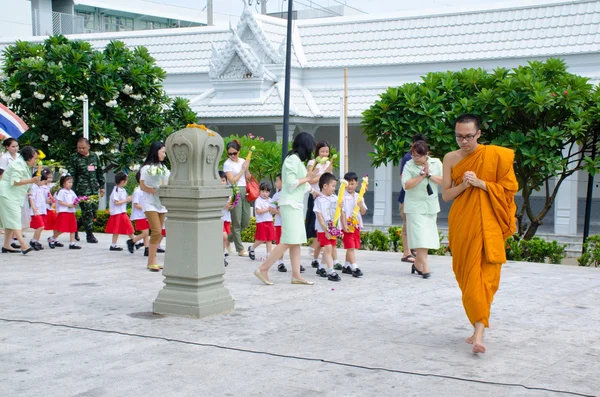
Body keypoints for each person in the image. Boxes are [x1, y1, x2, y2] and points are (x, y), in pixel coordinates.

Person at [442, 114, 518, 354]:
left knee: (484, 279)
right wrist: (465, 185)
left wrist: (481, 183)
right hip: (463, 224)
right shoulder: (450, 158)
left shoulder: (495, 156)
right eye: (459, 136)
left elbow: (509, 190)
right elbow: (446, 195)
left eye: (468, 136)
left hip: (488, 224)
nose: (463, 141)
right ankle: (478, 327)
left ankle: (478, 334)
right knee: (468, 278)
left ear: (479, 134)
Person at [254, 132, 318, 285]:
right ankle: (263, 268)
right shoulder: (291, 160)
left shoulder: (296, 161)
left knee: (295, 241)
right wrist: (308, 178)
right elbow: (290, 184)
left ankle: (296, 275)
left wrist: (313, 190)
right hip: (289, 205)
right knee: (289, 240)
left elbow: (302, 183)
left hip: (295, 205)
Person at [402, 140, 443, 279]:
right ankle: (425, 267)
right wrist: (421, 176)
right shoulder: (409, 165)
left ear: (426, 154)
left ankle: (417, 264)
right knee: (419, 237)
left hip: (431, 206)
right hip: (414, 207)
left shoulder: (436, 163)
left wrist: (429, 175)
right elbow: (406, 185)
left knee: (427, 237)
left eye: (418, 156)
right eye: (413, 155)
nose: (415, 158)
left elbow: (444, 181)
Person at [0, 146, 39, 254]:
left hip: (14, 195)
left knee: (10, 221)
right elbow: (15, 181)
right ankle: (23, 245)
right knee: (15, 220)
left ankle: (7, 245)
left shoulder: (22, 163)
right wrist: (31, 180)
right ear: (28, 157)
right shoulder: (17, 164)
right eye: (34, 158)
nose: (35, 161)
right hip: (7, 195)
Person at [67, 137, 105, 243]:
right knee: (87, 212)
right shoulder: (74, 158)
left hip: (94, 188)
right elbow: (71, 175)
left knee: (93, 212)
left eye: (83, 148)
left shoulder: (94, 157)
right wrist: (72, 191)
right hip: (81, 189)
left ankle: (75, 228)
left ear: (89, 146)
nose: (81, 150)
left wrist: (102, 186)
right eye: (79, 148)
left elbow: (99, 172)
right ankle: (89, 235)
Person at [139, 142, 170, 272]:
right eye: (162, 151)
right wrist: (154, 190)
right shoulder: (146, 168)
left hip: (161, 203)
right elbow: (142, 186)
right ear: (156, 151)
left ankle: (153, 260)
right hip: (149, 202)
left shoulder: (164, 168)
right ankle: (151, 261)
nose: (164, 154)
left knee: (159, 233)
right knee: (156, 231)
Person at [398, 134, 427, 265]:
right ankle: (406, 252)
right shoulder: (408, 158)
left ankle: (414, 249)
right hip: (406, 197)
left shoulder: (429, 161)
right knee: (407, 225)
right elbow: (403, 179)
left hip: (421, 199)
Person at [306, 141, 333, 268]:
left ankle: (317, 250)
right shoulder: (313, 163)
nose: (324, 154)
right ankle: (315, 246)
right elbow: (310, 180)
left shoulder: (328, 163)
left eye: (327, 151)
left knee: (325, 224)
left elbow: (330, 179)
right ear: (317, 152)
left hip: (326, 198)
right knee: (316, 225)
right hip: (315, 196)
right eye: (322, 151)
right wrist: (323, 174)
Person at [223, 139, 252, 257]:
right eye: (230, 154)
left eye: (234, 153)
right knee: (237, 222)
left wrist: (247, 167)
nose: (232, 156)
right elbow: (232, 181)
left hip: (244, 190)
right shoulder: (227, 164)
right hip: (234, 191)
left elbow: (248, 177)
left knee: (246, 221)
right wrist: (242, 170)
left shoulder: (243, 161)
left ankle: (229, 240)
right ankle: (240, 249)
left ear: (239, 151)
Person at [313, 172, 342, 282]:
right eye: (333, 186)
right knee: (328, 248)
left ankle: (321, 268)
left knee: (329, 249)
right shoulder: (319, 200)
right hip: (323, 229)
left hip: (333, 229)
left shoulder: (335, 198)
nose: (334, 189)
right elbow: (319, 216)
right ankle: (331, 271)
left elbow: (338, 212)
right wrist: (325, 230)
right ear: (325, 186)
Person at [340, 172, 367, 278]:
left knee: (352, 246)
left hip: (356, 224)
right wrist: (344, 224)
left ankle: (346, 266)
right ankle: (355, 267)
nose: (349, 186)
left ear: (357, 184)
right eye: (348, 184)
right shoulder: (342, 196)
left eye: (352, 184)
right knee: (350, 246)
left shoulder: (359, 196)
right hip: (347, 224)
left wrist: (361, 206)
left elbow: (364, 212)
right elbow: (342, 212)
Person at [105, 172, 138, 252]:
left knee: (123, 229)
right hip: (118, 213)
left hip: (121, 212)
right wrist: (126, 200)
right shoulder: (115, 191)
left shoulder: (123, 190)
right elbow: (116, 202)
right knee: (127, 228)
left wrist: (130, 198)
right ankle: (135, 241)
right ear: (122, 181)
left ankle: (114, 244)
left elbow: (125, 199)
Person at [0, 138, 22, 248]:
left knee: (16, 213)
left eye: (17, 146)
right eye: (13, 146)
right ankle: (19, 243)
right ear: (7, 147)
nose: (15, 148)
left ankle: (10, 241)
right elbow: (1, 173)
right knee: (12, 214)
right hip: (8, 186)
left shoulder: (19, 157)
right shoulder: (4, 158)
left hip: (18, 187)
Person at [51, 174, 81, 250]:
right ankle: (52, 238)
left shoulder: (72, 192)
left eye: (71, 182)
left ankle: (72, 243)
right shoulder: (62, 191)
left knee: (73, 228)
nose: (70, 184)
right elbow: (60, 201)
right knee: (62, 228)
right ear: (63, 183)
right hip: (64, 212)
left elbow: (75, 200)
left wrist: (75, 204)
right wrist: (68, 205)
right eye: (69, 182)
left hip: (71, 212)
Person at [248, 182, 276, 261]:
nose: (264, 193)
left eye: (266, 192)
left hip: (269, 221)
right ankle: (252, 248)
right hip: (261, 222)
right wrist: (268, 209)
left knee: (269, 239)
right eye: (263, 191)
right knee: (261, 239)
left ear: (269, 192)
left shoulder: (270, 200)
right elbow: (258, 211)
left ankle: (269, 255)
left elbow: (272, 212)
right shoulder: (258, 200)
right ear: (259, 191)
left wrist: (273, 210)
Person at [28, 169, 50, 250]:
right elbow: (31, 198)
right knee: (40, 226)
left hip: (41, 210)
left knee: (41, 226)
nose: (44, 182)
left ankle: (36, 240)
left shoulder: (39, 187)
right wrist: (34, 209)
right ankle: (33, 240)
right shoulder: (33, 187)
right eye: (43, 180)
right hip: (36, 210)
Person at [128, 171, 150, 256]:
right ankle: (132, 241)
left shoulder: (145, 191)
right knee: (145, 233)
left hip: (144, 215)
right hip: (139, 215)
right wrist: (146, 208)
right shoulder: (137, 191)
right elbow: (136, 205)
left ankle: (147, 249)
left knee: (146, 232)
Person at [269, 174, 287, 272]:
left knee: (292, 243)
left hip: (289, 223)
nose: (276, 183)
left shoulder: (290, 194)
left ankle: (296, 263)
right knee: (280, 243)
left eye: (277, 181)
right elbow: (270, 208)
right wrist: (276, 211)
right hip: (280, 223)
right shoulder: (276, 195)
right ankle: (280, 262)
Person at [219, 171, 233, 266]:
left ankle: (222, 253)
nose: (222, 182)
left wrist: (231, 205)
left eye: (223, 180)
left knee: (224, 238)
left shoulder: (229, 192)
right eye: (220, 180)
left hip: (226, 218)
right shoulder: (214, 192)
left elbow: (231, 205)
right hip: (218, 218)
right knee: (224, 237)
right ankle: (221, 256)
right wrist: (225, 206)